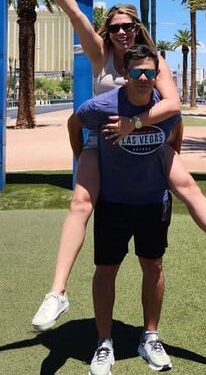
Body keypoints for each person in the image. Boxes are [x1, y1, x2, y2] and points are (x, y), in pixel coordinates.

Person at [31, 0, 206, 333]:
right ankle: (57, 293)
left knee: (189, 187)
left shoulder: (154, 59)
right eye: (114, 27)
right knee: (81, 202)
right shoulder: (101, 56)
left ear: (137, 28)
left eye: (127, 25)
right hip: (104, 145)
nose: (120, 32)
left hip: (147, 140)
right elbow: (75, 15)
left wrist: (136, 124)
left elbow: (173, 104)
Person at [76, 45, 180, 374]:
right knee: (107, 270)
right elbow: (72, 123)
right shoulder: (103, 105)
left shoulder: (164, 108)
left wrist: (169, 163)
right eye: (137, 72)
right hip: (114, 203)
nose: (144, 78)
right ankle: (104, 343)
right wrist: (85, 159)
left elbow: (177, 130)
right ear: (126, 74)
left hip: (153, 202)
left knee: (154, 266)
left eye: (150, 72)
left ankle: (150, 337)